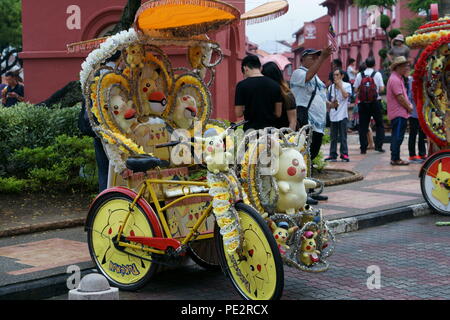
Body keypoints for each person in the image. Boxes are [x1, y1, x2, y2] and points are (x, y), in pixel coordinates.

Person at [290, 46, 333, 203]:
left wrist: (330, 104)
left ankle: (310, 190)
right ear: (302, 59)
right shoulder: (298, 73)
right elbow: (307, 77)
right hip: (306, 121)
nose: (315, 59)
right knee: (304, 156)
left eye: (317, 57)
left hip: (318, 123)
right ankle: (303, 193)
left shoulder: (317, 78)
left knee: (311, 155)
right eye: (312, 57)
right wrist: (323, 58)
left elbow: (320, 96)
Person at [235, 55, 282, 131]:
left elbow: (238, 113)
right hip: (270, 132)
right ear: (261, 68)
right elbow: (278, 113)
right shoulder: (275, 85)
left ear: (245, 68)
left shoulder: (241, 85)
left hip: (250, 132)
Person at [353, 56, 386, 154]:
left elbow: (355, 89)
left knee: (363, 126)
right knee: (379, 124)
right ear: (374, 64)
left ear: (366, 64)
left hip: (363, 103)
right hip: (375, 102)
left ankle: (363, 148)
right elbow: (382, 89)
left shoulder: (360, 75)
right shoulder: (377, 74)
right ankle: (379, 146)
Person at [386, 56, 413, 166]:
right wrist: (409, 107)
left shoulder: (397, 78)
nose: (406, 68)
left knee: (397, 135)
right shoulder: (395, 79)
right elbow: (400, 97)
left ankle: (395, 157)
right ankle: (395, 158)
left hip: (399, 112)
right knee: (398, 136)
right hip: (398, 112)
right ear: (398, 67)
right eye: (404, 66)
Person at [325, 69, 352, 162]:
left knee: (343, 136)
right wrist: (331, 103)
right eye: (334, 75)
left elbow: (346, 96)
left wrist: (340, 86)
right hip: (333, 115)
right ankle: (332, 154)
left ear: (342, 76)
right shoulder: (330, 87)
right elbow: (327, 101)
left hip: (343, 115)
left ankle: (344, 154)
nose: (335, 77)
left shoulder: (347, 85)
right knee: (333, 137)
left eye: (337, 75)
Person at [261, 62, 297, 130]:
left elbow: (293, 122)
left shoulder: (287, 94)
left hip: (283, 134)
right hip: (269, 134)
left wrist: (288, 137)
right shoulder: (265, 93)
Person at [405, 65, 427, 163]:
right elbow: (410, 96)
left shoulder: (424, 81)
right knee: (413, 133)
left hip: (421, 112)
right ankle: (412, 154)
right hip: (414, 112)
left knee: (422, 133)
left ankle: (422, 153)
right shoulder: (412, 81)